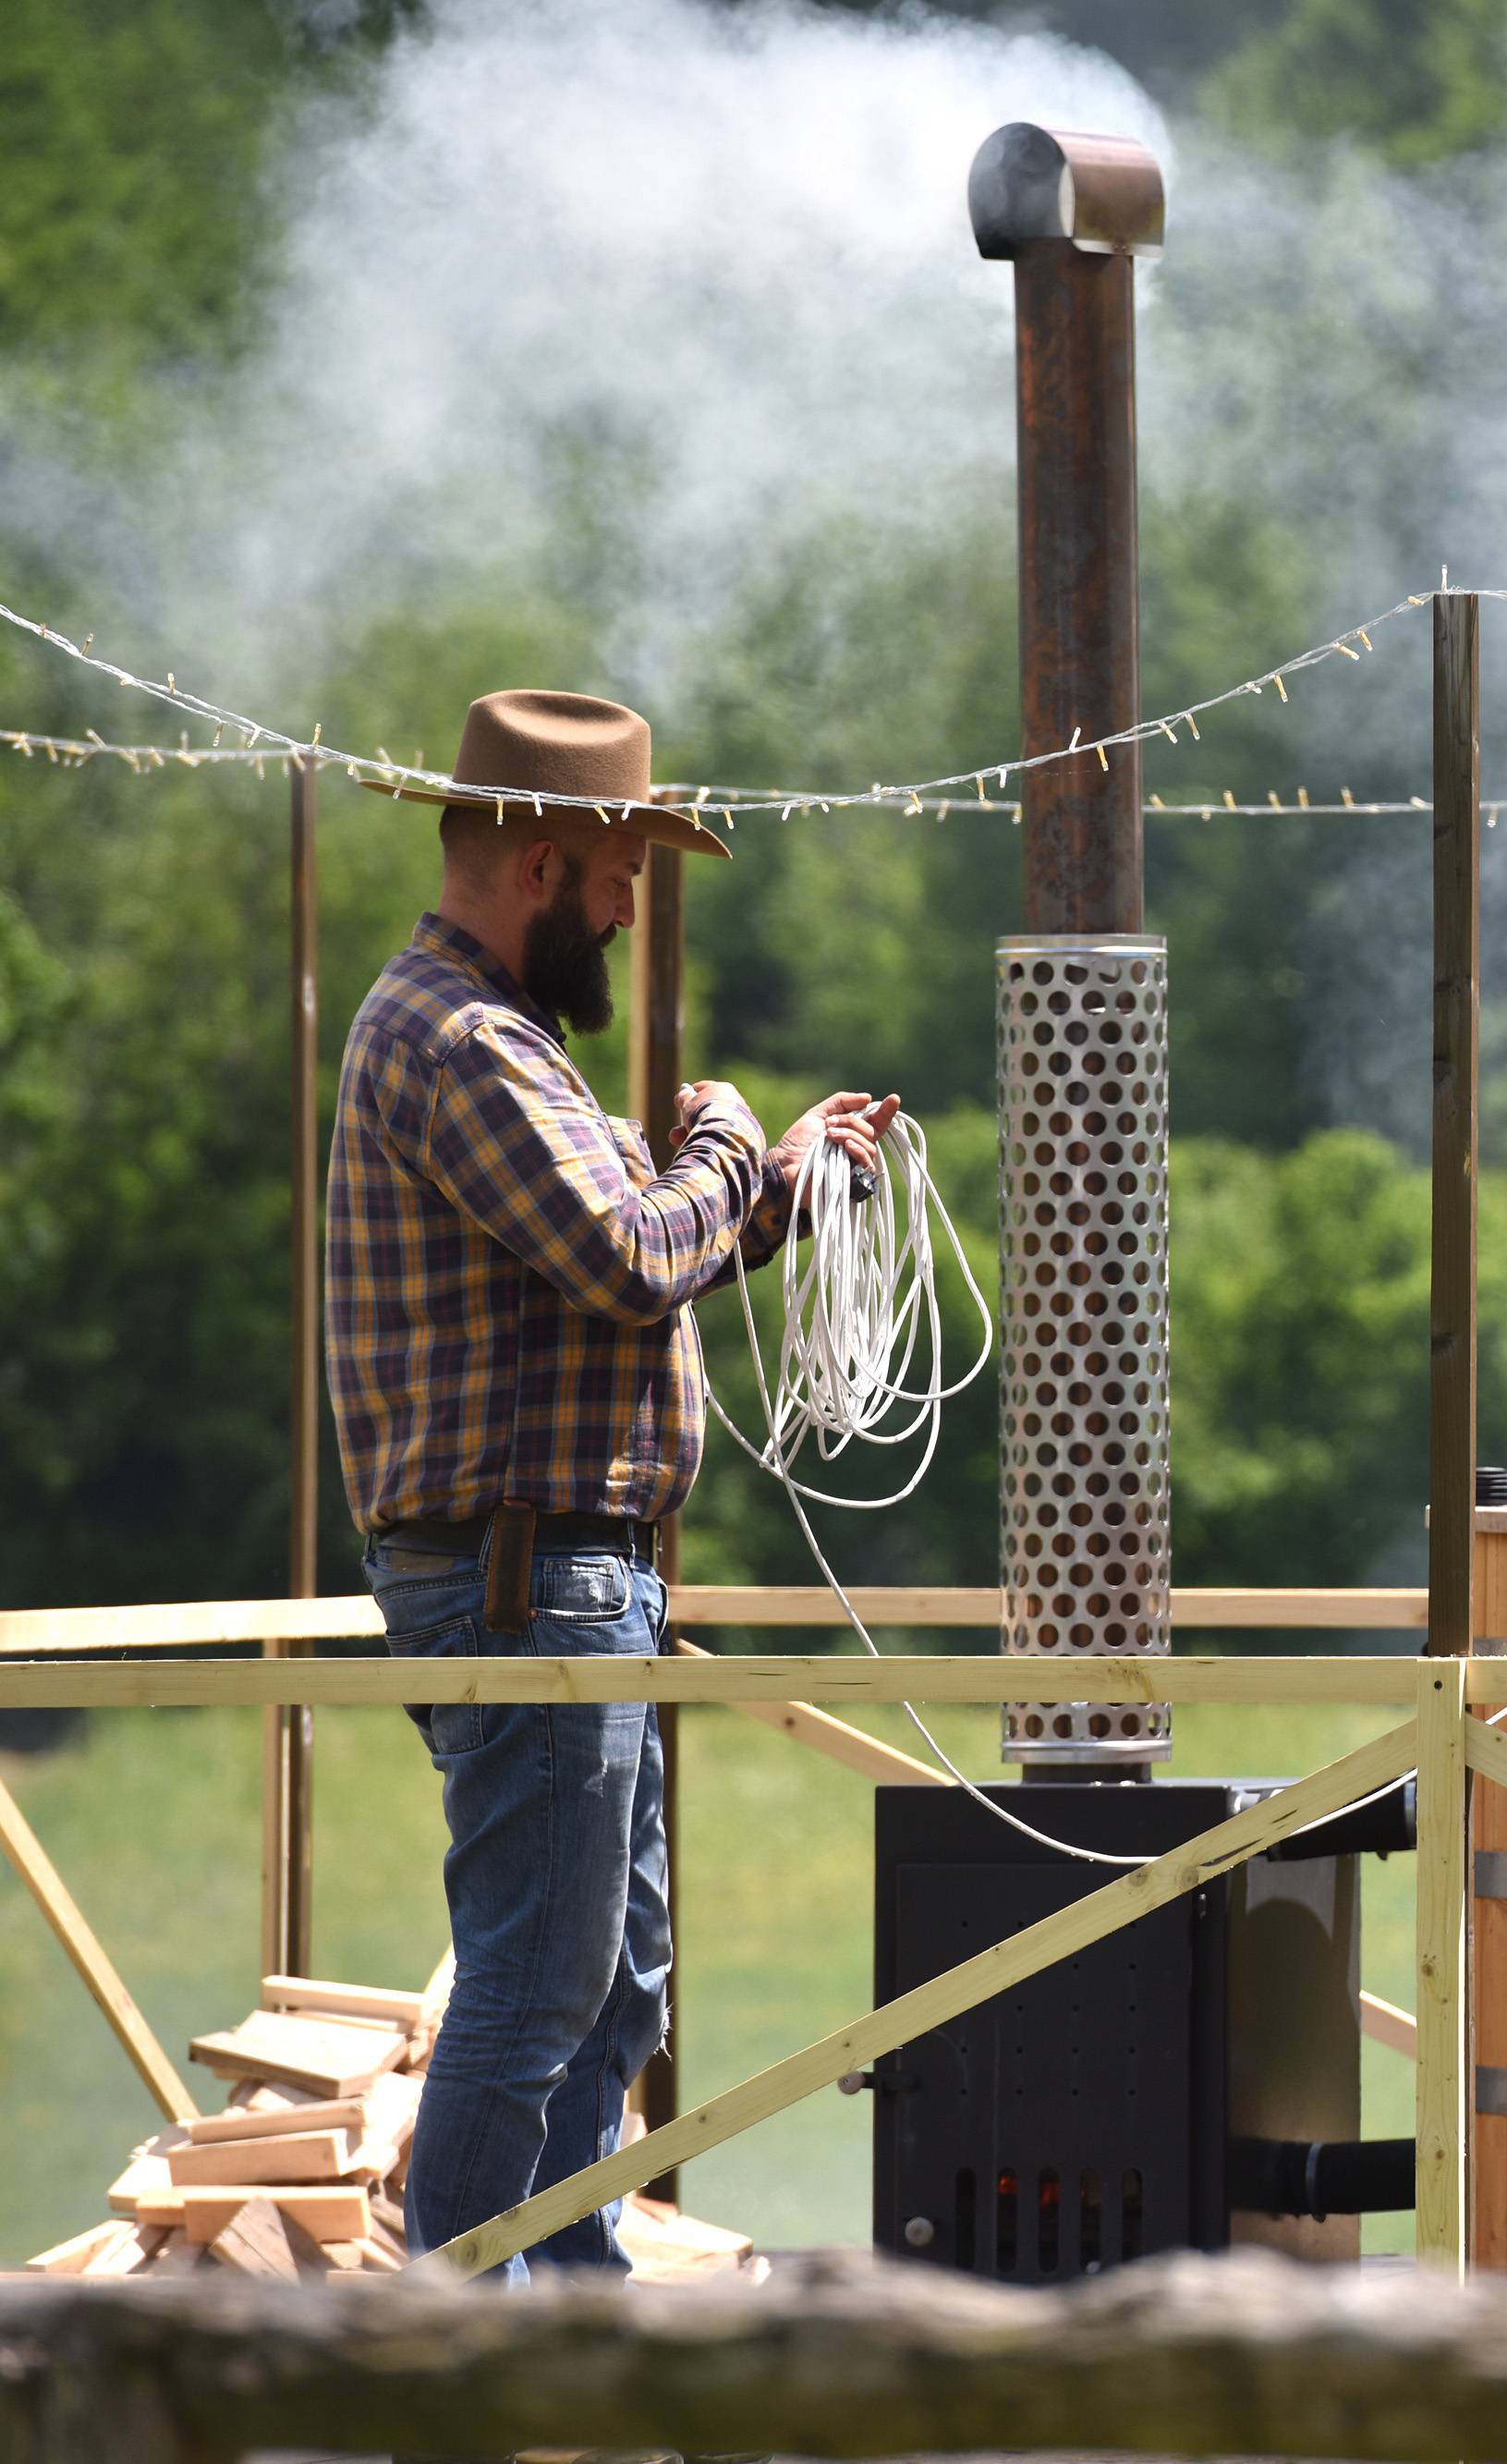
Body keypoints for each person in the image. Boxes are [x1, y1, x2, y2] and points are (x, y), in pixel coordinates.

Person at [324, 689, 896, 2287]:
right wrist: (724, 1139)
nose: (636, 901)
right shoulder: (461, 1042)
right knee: (535, 1986)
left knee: (614, 1980)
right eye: (621, 865)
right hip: (531, 1577)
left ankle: (561, 2320)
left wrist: (774, 1190)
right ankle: (463, 2363)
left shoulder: (503, 1041)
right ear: (540, 863)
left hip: (568, 1571)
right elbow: (633, 1251)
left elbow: (615, 1266)